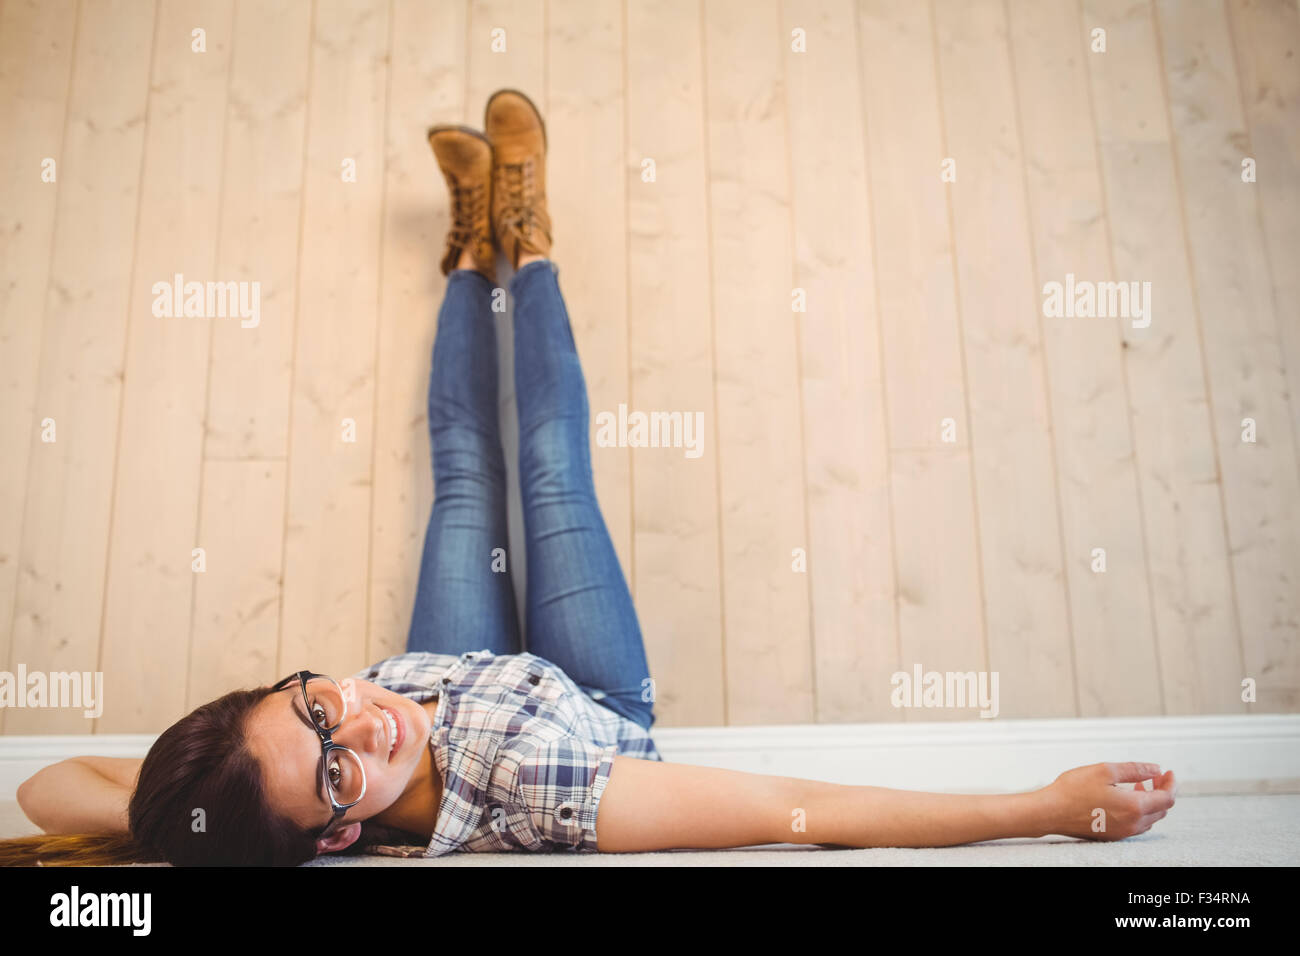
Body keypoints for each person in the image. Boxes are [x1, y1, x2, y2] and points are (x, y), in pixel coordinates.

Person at [2, 89, 1176, 867]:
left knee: (465, 469)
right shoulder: (554, 779)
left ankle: (474, 243)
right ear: (341, 833)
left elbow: (45, 789)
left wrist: (191, 822)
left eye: (313, 702)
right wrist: (1044, 805)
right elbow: (793, 812)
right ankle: (534, 233)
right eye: (335, 761)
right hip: (576, 707)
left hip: (457, 682)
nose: (358, 712)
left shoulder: (354, 720)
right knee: (549, 462)